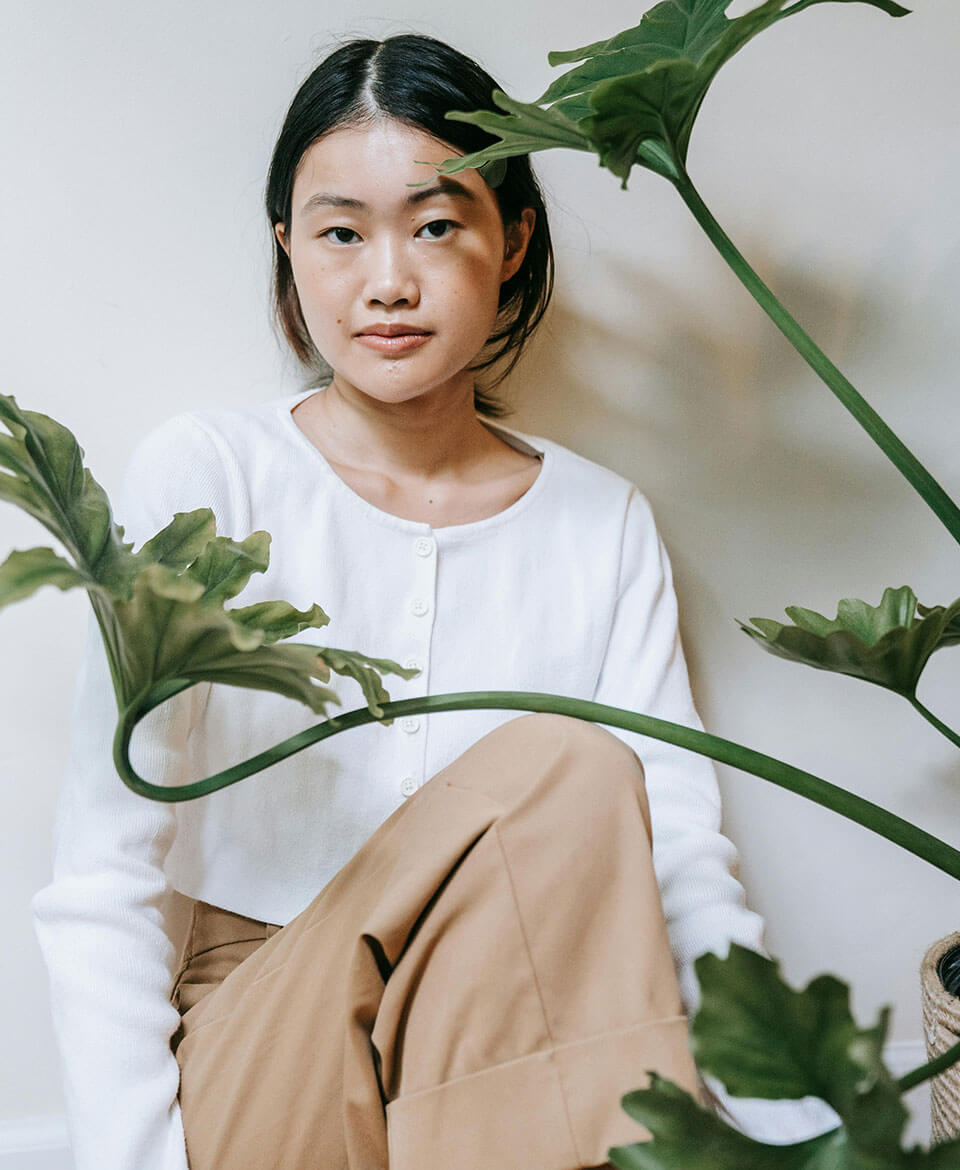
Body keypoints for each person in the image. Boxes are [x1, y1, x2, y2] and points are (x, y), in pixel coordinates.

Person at [30, 32, 841, 1170]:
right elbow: (105, 871)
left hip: (504, 1033)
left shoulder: (601, 521)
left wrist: (810, 1135)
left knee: (585, 800)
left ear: (511, 239)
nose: (388, 281)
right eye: (342, 232)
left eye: (435, 224)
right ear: (289, 250)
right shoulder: (210, 476)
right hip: (262, 1037)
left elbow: (683, 865)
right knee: (569, 763)